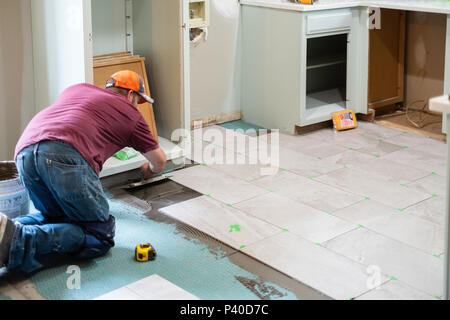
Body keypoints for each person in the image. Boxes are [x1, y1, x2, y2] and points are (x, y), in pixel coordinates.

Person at [0, 70, 166, 273]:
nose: (136, 106)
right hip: (64, 156)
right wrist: (148, 170)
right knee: (98, 236)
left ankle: (6, 229)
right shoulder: (131, 114)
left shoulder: (78, 89)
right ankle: (16, 240)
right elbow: (159, 162)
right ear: (131, 95)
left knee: (55, 217)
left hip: (24, 152)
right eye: (138, 101)